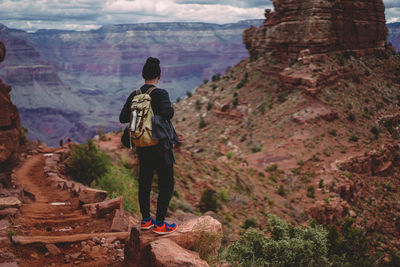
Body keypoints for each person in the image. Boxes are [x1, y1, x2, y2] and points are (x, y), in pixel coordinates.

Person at [119, 57, 177, 234]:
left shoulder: (135, 94)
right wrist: (155, 119)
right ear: (159, 75)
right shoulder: (160, 93)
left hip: (142, 145)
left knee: (145, 181)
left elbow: (122, 118)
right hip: (160, 146)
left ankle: (145, 220)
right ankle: (159, 223)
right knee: (166, 183)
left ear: (143, 75)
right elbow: (168, 113)